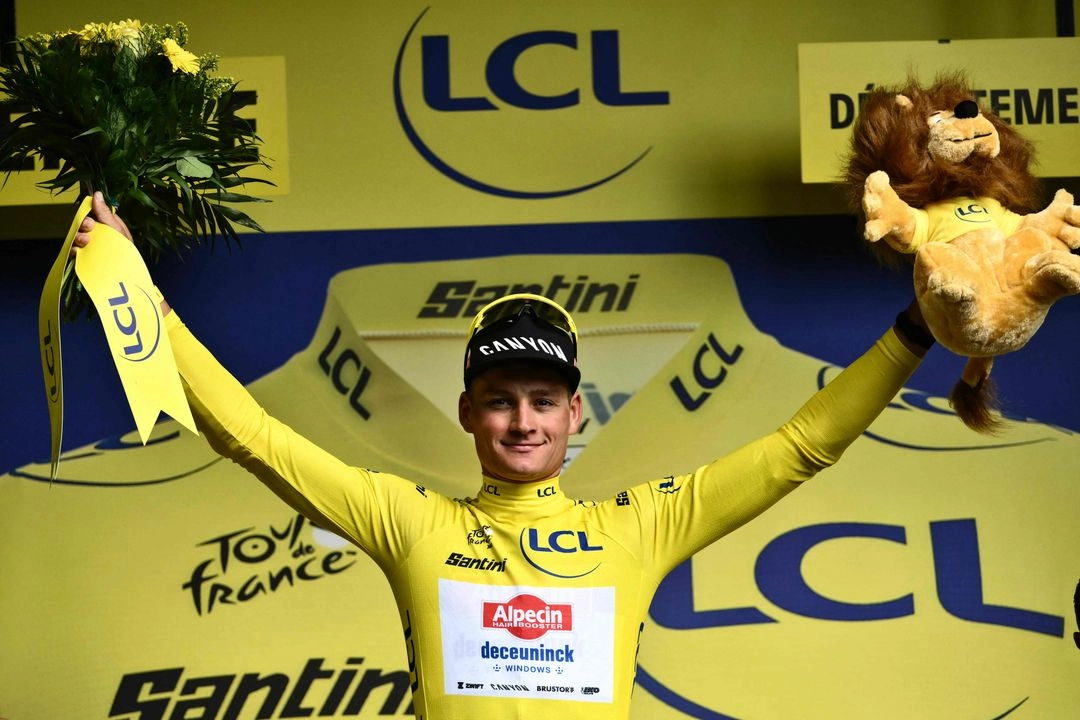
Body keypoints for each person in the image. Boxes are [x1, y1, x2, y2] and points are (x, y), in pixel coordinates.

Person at [74, 192, 933, 719]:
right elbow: (250, 435)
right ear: (467, 414)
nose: (522, 421)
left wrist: (915, 331)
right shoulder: (406, 519)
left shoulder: (640, 527)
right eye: (499, 400)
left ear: (572, 414)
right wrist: (143, 304)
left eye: (542, 401)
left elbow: (801, 447)